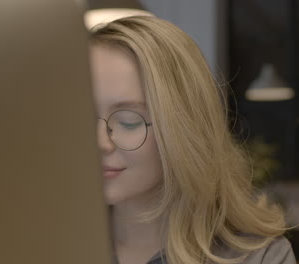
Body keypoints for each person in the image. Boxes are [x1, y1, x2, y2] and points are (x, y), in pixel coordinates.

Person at [88, 13, 297, 264]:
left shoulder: (261, 256)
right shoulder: (41, 241)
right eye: (84, 118)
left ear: (182, 127)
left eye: (127, 121)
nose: (100, 143)